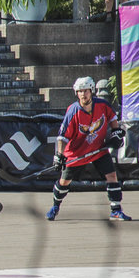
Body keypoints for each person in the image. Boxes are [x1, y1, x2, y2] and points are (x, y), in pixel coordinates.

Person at [45, 76, 130, 221]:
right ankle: (55, 206)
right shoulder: (73, 111)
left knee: (111, 176)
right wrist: (59, 156)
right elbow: (62, 137)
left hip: (98, 149)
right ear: (76, 93)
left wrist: (116, 133)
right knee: (64, 182)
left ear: (91, 91)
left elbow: (112, 119)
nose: (83, 94)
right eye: (80, 91)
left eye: (85, 91)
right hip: (76, 153)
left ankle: (115, 210)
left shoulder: (103, 105)